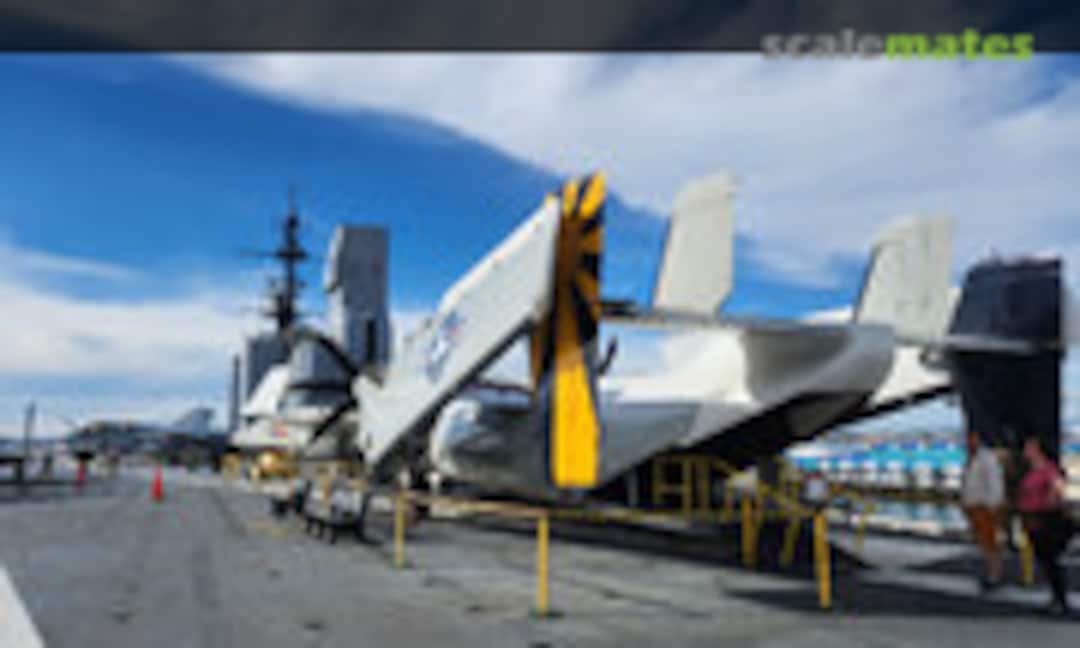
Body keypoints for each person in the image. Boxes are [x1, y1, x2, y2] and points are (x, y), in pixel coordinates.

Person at [1017, 437, 1071, 616]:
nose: (1025, 451)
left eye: (1029, 447)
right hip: (1031, 518)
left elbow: (1058, 487)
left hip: (1044, 519)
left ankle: (1060, 600)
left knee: (1051, 560)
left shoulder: (1047, 469)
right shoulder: (1031, 471)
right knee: (1044, 560)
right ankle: (1056, 598)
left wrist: (1049, 504)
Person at [960, 431, 1005, 590]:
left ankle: (994, 574)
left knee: (990, 542)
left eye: (971, 439)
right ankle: (991, 572)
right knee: (984, 543)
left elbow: (995, 483)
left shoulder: (987, 458)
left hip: (984, 507)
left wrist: (993, 505)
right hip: (974, 507)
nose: (968, 442)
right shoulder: (972, 458)